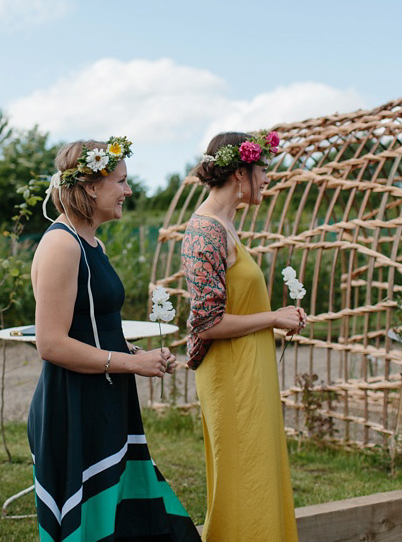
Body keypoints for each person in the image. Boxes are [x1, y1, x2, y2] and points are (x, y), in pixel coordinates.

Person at [27, 137, 201, 542]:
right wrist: (131, 364)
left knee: (132, 519)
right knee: (96, 525)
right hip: (72, 404)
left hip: (105, 398)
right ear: (90, 186)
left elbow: (91, 326)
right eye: (121, 181)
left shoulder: (93, 242)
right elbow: (50, 344)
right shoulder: (61, 244)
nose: (128, 191)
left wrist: (132, 352)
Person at [180, 131, 306, 541]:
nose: (268, 178)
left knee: (259, 469)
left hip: (250, 368)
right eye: (263, 169)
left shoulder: (226, 226)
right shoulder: (205, 232)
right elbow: (207, 323)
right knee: (244, 474)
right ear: (240, 173)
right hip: (231, 375)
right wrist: (273, 317)